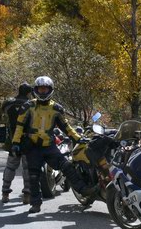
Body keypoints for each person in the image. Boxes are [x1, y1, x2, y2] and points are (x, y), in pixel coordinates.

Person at [11, 76, 96, 213]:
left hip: (49, 146)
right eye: (40, 89)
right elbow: (19, 126)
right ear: (35, 90)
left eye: (45, 89)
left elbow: (66, 126)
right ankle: (35, 204)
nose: (43, 92)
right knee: (33, 176)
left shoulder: (57, 108)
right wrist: (15, 143)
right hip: (32, 147)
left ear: (50, 90)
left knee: (67, 166)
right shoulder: (28, 106)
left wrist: (78, 138)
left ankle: (83, 190)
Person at [0, 82, 32, 204]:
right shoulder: (31, 105)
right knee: (27, 168)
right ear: (29, 92)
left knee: (10, 167)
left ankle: (5, 193)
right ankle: (27, 195)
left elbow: (3, 111)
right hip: (27, 140)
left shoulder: (9, 103)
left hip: (12, 139)